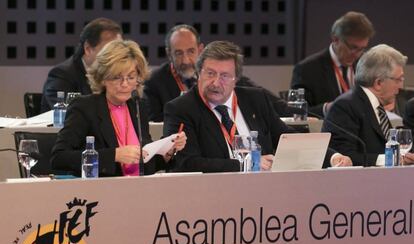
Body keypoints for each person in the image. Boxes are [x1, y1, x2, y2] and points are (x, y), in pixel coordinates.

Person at [164, 40, 351, 173]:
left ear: (236, 79)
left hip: (266, 194)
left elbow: (288, 140)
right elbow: (187, 163)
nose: (215, 82)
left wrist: (332, 157)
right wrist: (248, 165)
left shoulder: (255, 99)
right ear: (198, 73)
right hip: (214, 196)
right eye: (210, 73)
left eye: (224, 76)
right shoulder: (181, 109)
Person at [51, 40, 187, 177]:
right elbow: (59, 158)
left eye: (131, 77)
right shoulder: (85, 107)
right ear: (103, 78)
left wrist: (167, 152)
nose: (125, 84)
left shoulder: (138, 107)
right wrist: (114, 155)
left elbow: (144, 165)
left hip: (138, 190)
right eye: (117, 78)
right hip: (103, 191)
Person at [143, 24, 289, 122]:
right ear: (169, 54)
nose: (186, 60)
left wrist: (298, 111)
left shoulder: (223, 74)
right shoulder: (154, 82)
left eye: (191, 51)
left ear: (200, 49)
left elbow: (267, 99)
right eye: (178, 53)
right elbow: (156, 125)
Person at [322, 44, 414, 166]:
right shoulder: (345, 106)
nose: (400, 87)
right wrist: (388, 159)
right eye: (398, 80)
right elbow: (344, 157)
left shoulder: (374, 105)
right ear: (378, 83)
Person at [291, 11, 375, 117]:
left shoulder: (365, 66)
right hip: (327, 131)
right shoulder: (307, 69)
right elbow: (297, 113)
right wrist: (327, 108)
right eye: (353, 48)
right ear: (335, 39)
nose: (357, 54)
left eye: (362, 49)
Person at [40, 18, 123, 112]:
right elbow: (71, 115)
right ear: (88, 49)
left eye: (120, 50)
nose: (117, 56)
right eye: (110, 50)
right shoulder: (62, 75)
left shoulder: (123, 76)